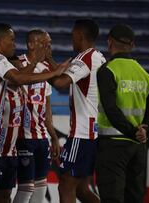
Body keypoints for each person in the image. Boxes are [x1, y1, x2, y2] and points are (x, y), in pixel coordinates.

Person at [0, 23, 69, 203]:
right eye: (11, 39)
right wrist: (55, 72)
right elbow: (18, 78)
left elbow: (17, 80)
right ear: (0, 40)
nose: (14, 43)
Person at [95, 23, 149, 203]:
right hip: (137, 147)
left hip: (113, 145)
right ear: (133, 46)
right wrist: (144, 131)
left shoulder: (107, 71)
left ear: (109, 42)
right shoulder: (145, 75)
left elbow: (110, 109)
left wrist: (132, 131)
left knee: (112, 197)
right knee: (134, 197)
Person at [49, 19, 106, 203]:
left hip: (82, 133)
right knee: (81, 188)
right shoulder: (98, 56)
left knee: (66, 183)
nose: (71, 40)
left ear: (80, 36)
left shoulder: (85, 58)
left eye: (73, 36)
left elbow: (60, 83)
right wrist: (48, 60)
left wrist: (44, 66)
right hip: (93, 131)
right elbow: (65, 75)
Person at [13, 29, 61, 203]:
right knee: (26, 188)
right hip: (22, 136)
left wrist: (53, 136)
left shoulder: (46, 68)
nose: (47, 47)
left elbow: (46, 107)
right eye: (43, 43)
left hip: (42, 137)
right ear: (31, 44)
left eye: (49, 43)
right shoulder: (17, 64)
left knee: (41, 188)